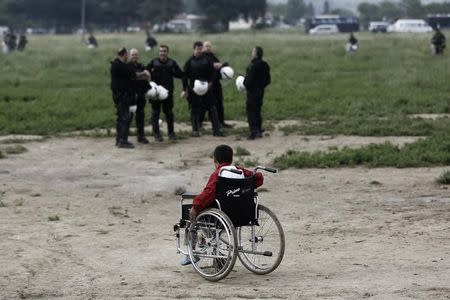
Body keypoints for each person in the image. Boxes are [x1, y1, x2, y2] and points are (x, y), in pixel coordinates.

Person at [181, 144, 264, 265]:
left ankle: (191, 253)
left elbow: (208, 193)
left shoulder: (218, 174)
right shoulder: (240, 171)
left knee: (190, 213)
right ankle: (215, 252)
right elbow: (258, 178)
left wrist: (195, 206)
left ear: (215, 161)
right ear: (231, 159)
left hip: (222, 215)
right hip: (243, 214)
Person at [110, 48, 149, 148]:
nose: (128, 56)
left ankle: (119, 140)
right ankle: (123, 141)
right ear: (124, 55)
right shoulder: (120, 65)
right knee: (125, 117)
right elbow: (134, 75)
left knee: (121, 117)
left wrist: (142, 76)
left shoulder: (117, 64)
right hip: (121, 95)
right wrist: (144, 73)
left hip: (120, 95)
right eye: (127, 54)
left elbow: (132, 77)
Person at [182, 41, 223, 137]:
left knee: (212, 108)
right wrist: (185, 89)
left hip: (207, 88)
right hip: (194, 89)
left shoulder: (207, 60)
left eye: (201, 49)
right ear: (194, 49)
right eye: (197, 49)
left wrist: (211, 83)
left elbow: (213, 72)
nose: (199, 51)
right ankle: (195, 130)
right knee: (194, 110)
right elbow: (184, 76)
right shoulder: (189, 62)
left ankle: (216, 130)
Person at [146, 45, 184, 141]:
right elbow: (145, 73)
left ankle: (171, 133)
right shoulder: (153, 62)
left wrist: (187, 76)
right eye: (161, 51)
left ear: (168, 52)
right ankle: (156, 134)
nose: (163, 53)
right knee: (155, 113)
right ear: (159, 52)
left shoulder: (172, 63)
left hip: (168, 93)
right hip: (155, 94)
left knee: (169, 113)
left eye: (165, 51)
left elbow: (180, 74)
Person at [201, 41, 232, 129]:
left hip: (216, 84)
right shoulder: (202, 57)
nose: (208, 48)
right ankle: (199, 124)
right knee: (204, 106)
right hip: (207, 85)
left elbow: (219, 68)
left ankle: (221, 122)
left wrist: (224, 65)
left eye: (209, 46)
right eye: (206, 46)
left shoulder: (213, 56)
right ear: (203, 48)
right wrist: (213, 65)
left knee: (219, 103)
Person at [243, 46, 271, 140]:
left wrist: (244, 83)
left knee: (251, 111)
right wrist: (261, 86)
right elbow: (268, 80)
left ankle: (253, 132)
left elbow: (249, 80)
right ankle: (258, 130)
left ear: (256, 53)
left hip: (252, 91)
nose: (251, 53)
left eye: (253, 51)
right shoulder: (265, 65)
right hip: (261, 91)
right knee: (258, 110)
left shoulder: (253, 65)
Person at [129, 48, 150, 144]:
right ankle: (123, 137)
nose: (135, 56)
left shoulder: (141, 65)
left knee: (140, 115)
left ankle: (141, 136)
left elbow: (147, 76)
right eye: (133, 54)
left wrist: (139, 76)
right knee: (128, 115)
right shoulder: (127, 66)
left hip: (141, 93)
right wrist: (141, 75)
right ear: (129, 56)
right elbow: (133, 76)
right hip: (131, 94)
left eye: (136, 54)